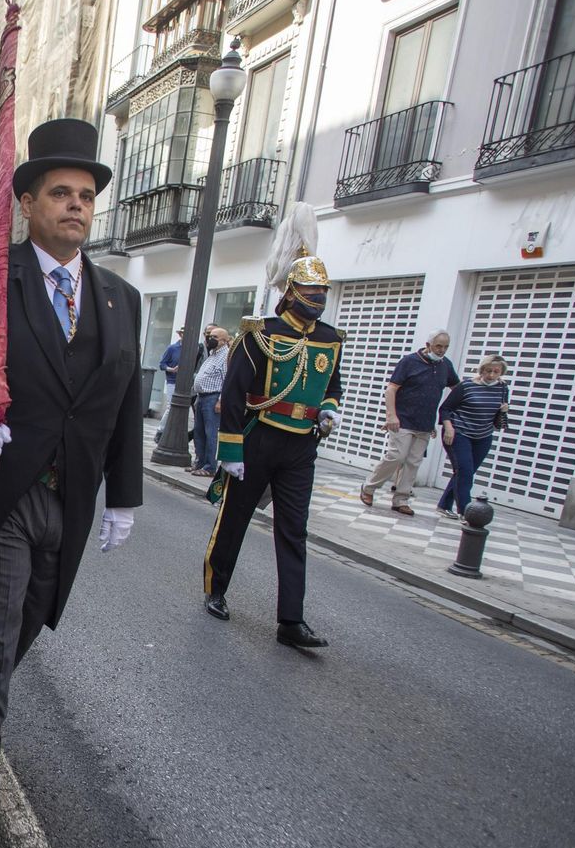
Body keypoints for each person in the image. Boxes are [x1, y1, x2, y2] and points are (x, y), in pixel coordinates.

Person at [0, 119, 142, 848]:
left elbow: (120, 397)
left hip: (72, 501)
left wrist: (126, 495)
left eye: (86, 195)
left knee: (23, 632)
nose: (77, 206)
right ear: (27, 202)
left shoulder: (121, 299)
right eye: (61, 192)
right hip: (5, 491)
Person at [203, 203, 344, 650]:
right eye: (309, 289)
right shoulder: (259, 332)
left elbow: (331, 384)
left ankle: (291, 620)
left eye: (322, 290)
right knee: (236, 518)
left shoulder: (330, 339)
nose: (317, 297)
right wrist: (230, 450)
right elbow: (233, 393)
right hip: (259, 436)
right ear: (290, 291)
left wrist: (329, 409)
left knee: (294, 529)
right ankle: (216, 589)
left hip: (302, 444)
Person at [360, 330, 460, 516]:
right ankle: (369, 487)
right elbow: (391, 389)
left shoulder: (446, 365)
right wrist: (391, 416)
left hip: (425, 423)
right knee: (396, 456)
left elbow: (457, 389)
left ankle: (401, 499)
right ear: (428, 344)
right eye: (438, 346)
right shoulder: (409, 361)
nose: (442, 350)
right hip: (403, 419)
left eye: (446, 347)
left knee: (414, 462)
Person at [435, 354, 511, 519]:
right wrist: (448, 427)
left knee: (464, 472)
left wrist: (504, 411)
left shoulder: (503, 388)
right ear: (482, 370)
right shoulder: (467, 386)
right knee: (465, 471)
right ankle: (467, 512)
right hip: (459, 432)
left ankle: (444, 505)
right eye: (488, 371)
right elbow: (445, 408)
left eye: (496, 372)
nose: (491, 375)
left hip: (483, 435)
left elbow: (499, 418)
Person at [187, 326, 230, 476]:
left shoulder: (226, 356)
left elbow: (227, 381)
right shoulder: (212, 354)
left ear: (224, 341)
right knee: (199, 432)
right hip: (202, 397)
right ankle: (200, 463)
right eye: (209, 336)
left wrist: (220, 401)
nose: (210, 339)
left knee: (210, 432)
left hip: (213, 398)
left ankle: (210, 467)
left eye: (214, 337)